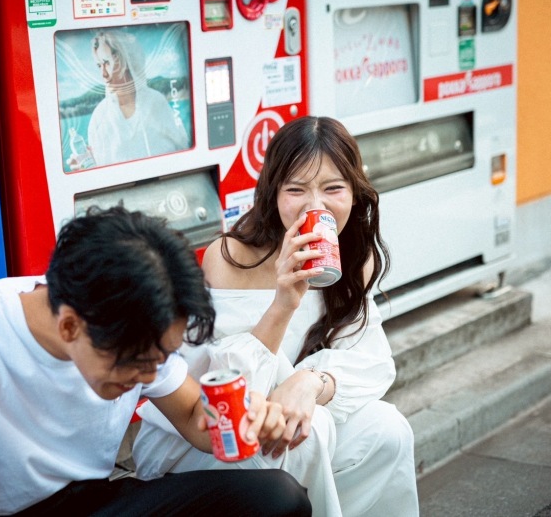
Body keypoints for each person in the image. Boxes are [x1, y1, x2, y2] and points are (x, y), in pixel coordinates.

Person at [0, 206, 311, 516]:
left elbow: (197, 416)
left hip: (90, 500)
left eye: (162, 358)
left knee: (277, 499)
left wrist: (243, 420)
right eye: (139, 363)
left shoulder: (136, 324)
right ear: (70, 327)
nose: (151, 374)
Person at [132, 116, 420, 516]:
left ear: (355, 192)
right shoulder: (232, 256)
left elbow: (370, 361)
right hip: (203, 441)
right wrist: (284, 300)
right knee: (308, 431)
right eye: (296, 189)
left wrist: (309, 383)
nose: (315, 206)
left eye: (333, 188)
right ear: (273, 193)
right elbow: (229, 390)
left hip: (293, 419)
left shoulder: (355, 258)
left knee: (386, 430)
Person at [69, 29, 190, 170]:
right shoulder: (99, 117)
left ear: (125, 60)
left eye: (107, 63)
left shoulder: (156, 102)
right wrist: (82, 169)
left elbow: (184, 150)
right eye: (99, 65)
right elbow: (98, 172)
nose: (103, 74)